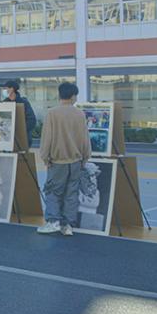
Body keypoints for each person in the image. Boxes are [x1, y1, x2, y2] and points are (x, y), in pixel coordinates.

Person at [37, 82, 92, 236]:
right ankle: (67, 225)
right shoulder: (79, 114)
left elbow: (47, 138)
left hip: (57, 162)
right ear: (73, 96)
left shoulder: (52, 113)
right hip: (76, 162)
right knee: (71, 194)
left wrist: (45, 157)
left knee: (53, 191)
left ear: (60, 94)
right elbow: (85, 139)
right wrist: (85, 158)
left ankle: (53, 221)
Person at [2, 80, 37, 146]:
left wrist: (21, 130)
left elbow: (32, 120)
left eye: (5, 88)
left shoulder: (23, 102)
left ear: (12, 89)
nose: (4, 91)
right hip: (7, 141)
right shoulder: (4, 103)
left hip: (22, 140)